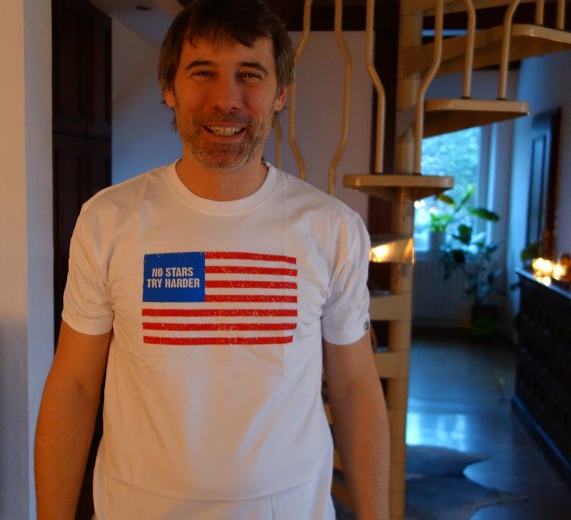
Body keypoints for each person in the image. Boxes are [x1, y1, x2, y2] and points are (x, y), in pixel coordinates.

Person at [34, 0, 390, 518]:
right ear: (170, 89)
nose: (226, 99)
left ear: (280, 93)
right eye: (202, 73)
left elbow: (356, 387)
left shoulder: (332, 228)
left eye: (251, 74)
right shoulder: (108, 219)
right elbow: (75, 385)